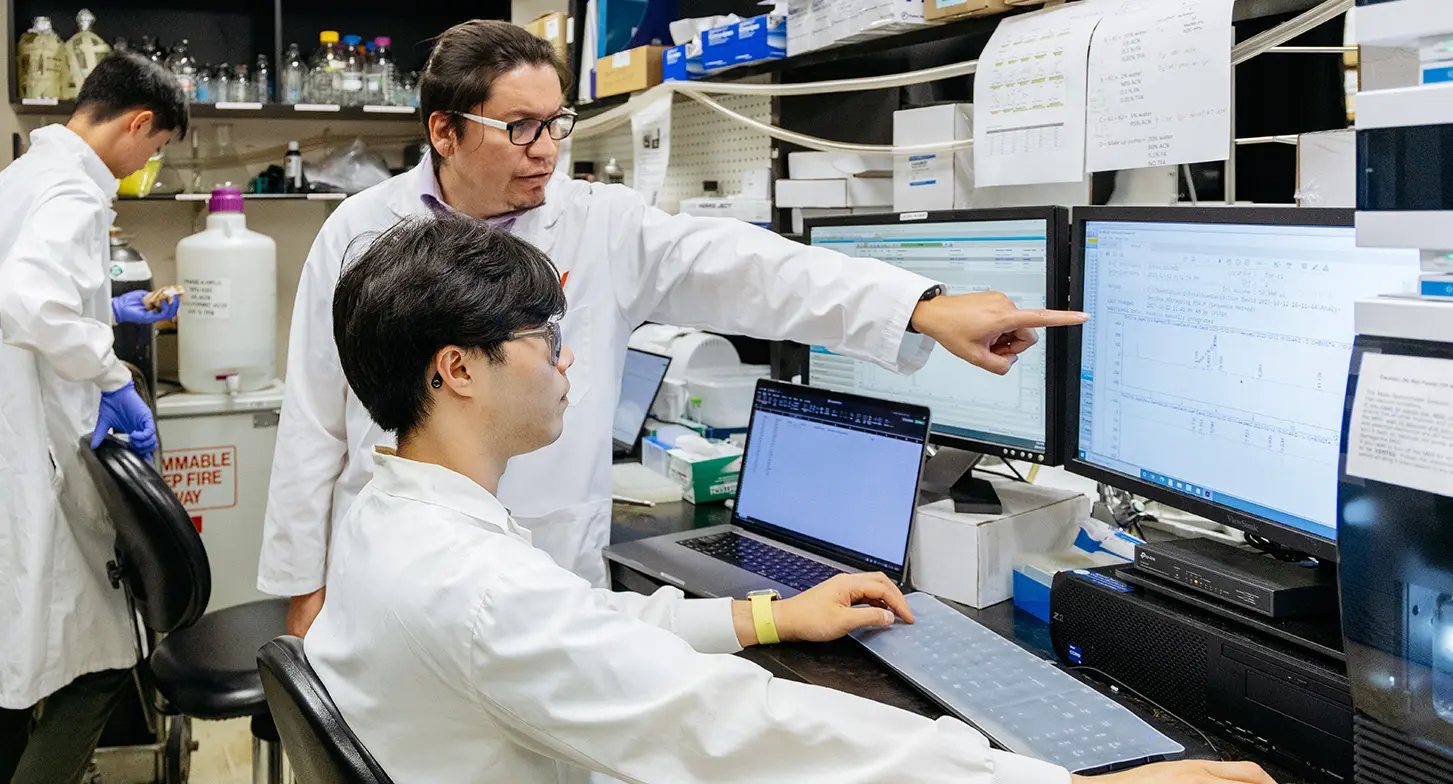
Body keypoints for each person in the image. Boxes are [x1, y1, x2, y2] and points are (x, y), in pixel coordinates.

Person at [308, 212, 1276, 784]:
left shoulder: (395, 516)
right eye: (542, 338)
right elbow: (730, 728)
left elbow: (579, 625)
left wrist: (763, 614)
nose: (567, 360)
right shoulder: (475, 587)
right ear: (457, 369)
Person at [259, 18, 1089, 637]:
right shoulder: (364, 232)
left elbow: (750, 267)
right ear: (443, 130)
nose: (546, 149)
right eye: (518, 128)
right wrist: (305, 593)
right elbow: (312, 424)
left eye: (556, 122)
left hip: (550, 557)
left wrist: (918, 306)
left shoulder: (599, 223)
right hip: (395, 562)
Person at [0, 52, 187, 783]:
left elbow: (28, 298)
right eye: (158, 146)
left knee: (24, 665)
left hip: (17, 446)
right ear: (139, 122)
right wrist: (113, 377)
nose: (149, 163)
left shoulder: (20, 179)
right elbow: (24, 301)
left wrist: (100, 311)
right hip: (38, 462)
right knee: (101, 661)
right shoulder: (74, 194)